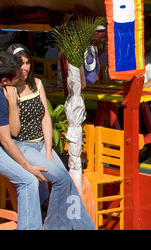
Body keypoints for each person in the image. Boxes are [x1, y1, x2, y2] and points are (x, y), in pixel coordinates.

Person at [6, 44, 94, 230]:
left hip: (41, 145)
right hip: (23, 146)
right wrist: (13, 104)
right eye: (21, 64)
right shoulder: (10, 89)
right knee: (62, 178)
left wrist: (48, 150)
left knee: (67, 181)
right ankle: (54, 226)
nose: (25, 68)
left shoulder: (36, 83)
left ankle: (84, 227)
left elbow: (46, 117)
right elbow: (13, 132)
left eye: (28, 63)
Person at [0, 51, 48, 230]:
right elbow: (7, 140)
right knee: (28, 180)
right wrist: (28, 166)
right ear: (5, 81)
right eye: (15, 77)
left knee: (30, 178)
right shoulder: (1, 97)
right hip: (3, 145)